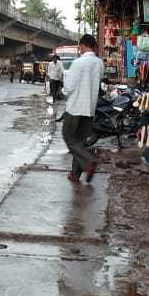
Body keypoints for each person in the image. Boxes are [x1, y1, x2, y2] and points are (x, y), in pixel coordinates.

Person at [61, 34, 105, 184]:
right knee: (79, 141)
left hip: (75, 107)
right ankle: (75, 174)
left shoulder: (78, 63)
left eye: (79, 46)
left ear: (82, 46)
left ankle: (88, 162)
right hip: (90, 108)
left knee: (68, 136)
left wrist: (63, 92)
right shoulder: (100, 63)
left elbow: (68, 87)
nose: (79, 49)